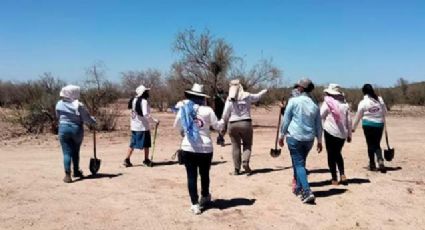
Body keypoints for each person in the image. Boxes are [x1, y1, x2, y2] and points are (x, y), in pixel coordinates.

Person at [174, 83, 223, 215]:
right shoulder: (208, 110)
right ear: (202, 98)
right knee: (204, 173)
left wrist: (184, 130)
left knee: (191, 176)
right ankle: (205, 196)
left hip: (188, 147)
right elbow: (217, 126)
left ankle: (194, 204)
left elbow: (177, 125)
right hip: (205, 148)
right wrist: (223, 121)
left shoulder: (183, 109)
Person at [278, 78, 322, 204]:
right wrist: (319, 140)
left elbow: (286, 120)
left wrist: (281, 136)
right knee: (300, 162)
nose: (296, 88)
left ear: (301, 88)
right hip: (309, 139)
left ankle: (307, 191)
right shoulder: (314, 104)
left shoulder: (293, 101)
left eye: (298, 86)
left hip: (295, 137)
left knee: (299, 164)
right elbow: (318, 124)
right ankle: (298, 188)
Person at [220, 79, 268, 175]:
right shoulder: (247, 96)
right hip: (246, 123)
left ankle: (236, 170)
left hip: (232, 124)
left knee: (235, 146)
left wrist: (222, 127)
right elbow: (257, 97)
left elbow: (225, 114)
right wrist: (264, 91)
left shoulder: (229, 99)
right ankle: (245, 161)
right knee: (247, 144)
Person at [56, 85, 96, 183]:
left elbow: (57, 116)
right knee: (75, 151)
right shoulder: (78, 105)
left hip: (63, 129)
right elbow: (86, 118)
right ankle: (76, 171)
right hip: (76, 130)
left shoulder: (59, 104)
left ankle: (67, 175)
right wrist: (93, 121)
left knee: (66, 153)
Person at [320, 84, 352, 185]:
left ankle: (334, 178)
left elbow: (321, 115)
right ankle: (342, 174)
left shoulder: (327, 103)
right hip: (342, 134)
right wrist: (349, 134)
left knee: (331, 155)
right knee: (338, 153)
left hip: (330, 131)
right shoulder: (345, 104)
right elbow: (349, 121)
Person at [352, 84, 387, 173]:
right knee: (377, 143)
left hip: (368, 125)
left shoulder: (363, 102)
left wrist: (353, 127)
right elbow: (385, 112)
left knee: (370, 144)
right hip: (379, 124)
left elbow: (358, 116)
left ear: (364, 92)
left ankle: (372, 164)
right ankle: (380, 160)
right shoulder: (380, 100)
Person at [124, 85, 159, 167]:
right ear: (143, 93)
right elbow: (145, 114)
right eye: (146, 91)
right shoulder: (144, 101)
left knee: (132, 143)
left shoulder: (133, 100)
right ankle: (146, 160)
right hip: (142, 126)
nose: (148, 93)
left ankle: (127, 159)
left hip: (134, 126)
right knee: (146, 144)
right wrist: (154, 121)